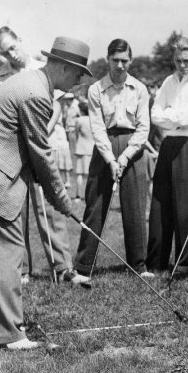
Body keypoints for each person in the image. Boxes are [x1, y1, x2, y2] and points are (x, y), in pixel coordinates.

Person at [0, 36, 91, 349]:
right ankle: (11, 336)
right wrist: (63, 200)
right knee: (7, 254)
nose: (80, 80)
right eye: (79, 72)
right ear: (64, 67)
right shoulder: (37, 94)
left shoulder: (30, 81)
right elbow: (40, 153)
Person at [0, 26, 75, 282]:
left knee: (50, 206)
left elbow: (57, 106)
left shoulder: (43, 69)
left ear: (20, 40)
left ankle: (62, 267)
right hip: (15, 151)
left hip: (46, 144)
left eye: (13, 47)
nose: (11, 54)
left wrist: (40, 134)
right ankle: (21, 269)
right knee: (16, 210)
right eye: (4, 52)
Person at [71, 39, 151, 285]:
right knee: (95, 205)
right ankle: (83, 267)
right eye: (115, 60)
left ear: (130, 60)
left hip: (133, 147)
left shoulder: (139, 88)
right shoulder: (96, 89)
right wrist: (110, 159)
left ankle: (138, 265)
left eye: (124, 60)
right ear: (107, 59)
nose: (119, 65)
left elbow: (144, 127)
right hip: (103, 147)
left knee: (135, 207)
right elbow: (96, 127)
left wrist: (125, 156)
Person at [147, 37, 188, 272]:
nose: (182, 65)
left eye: (186, 61)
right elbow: (154, 114)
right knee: (160, 202)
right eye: (177, 61)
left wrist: (170, 115)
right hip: (168, 144)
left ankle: (185, 265)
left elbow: (187, 118)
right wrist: (175, 117)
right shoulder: (168, 81)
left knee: (185, 205)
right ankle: (156, 262)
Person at [73, 100, 93, 200]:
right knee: (90, 174)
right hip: (91, 148)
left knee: (79, 174)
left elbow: (76, 133)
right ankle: (89, 195)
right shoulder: (93, 119)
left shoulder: (79, 120)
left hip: (81, 148)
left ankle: (78, 195)